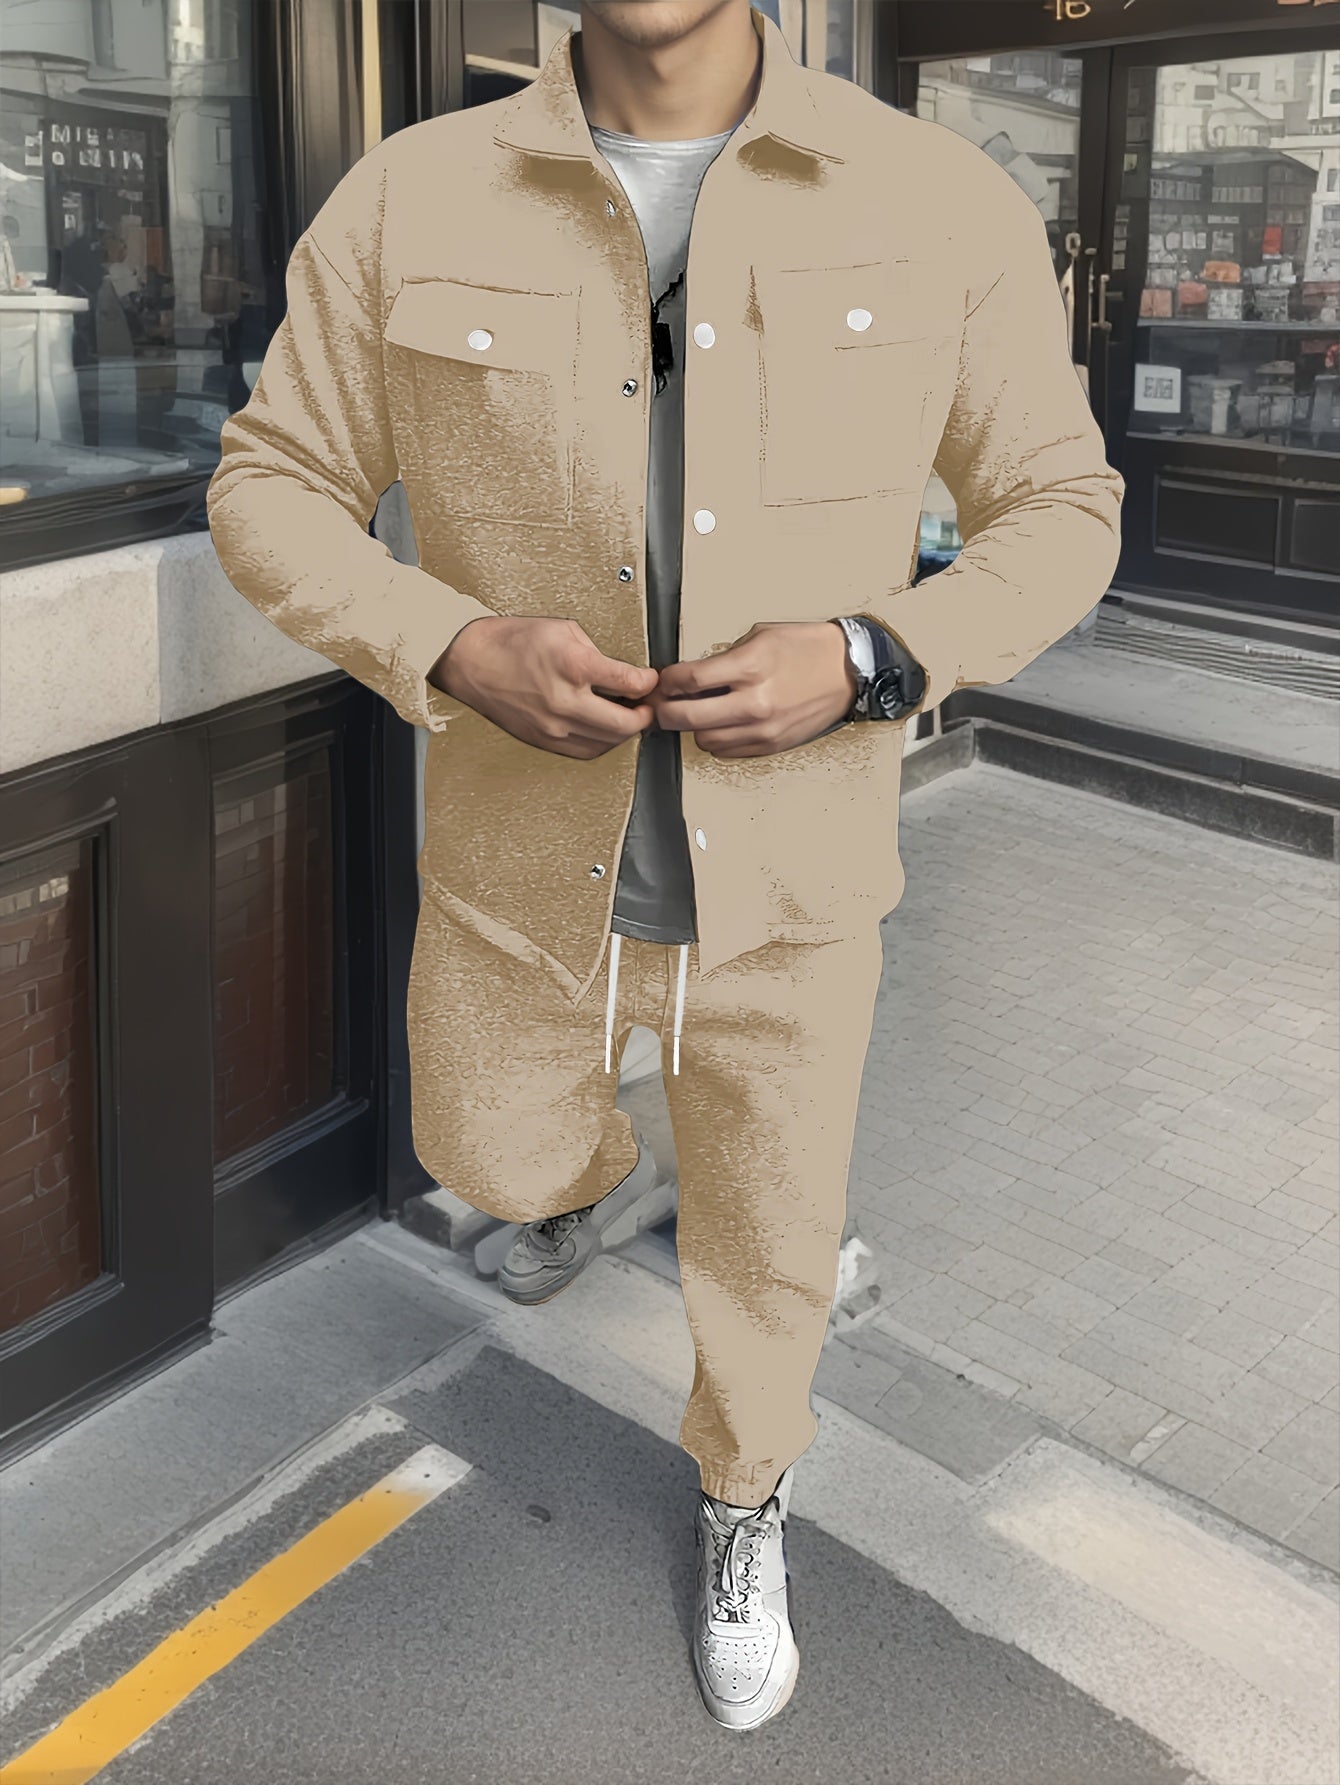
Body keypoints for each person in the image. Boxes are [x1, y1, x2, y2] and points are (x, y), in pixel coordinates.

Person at [206, 0, 1124, 1732]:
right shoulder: (412, 197)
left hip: (795, 896)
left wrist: (871, 655)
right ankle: (606, 1167)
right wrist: (449, 639)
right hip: (520, 880)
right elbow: (269, 485)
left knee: (771, 1261)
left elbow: (1065, 505)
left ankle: (745, 1494)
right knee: (488, 1151)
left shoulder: (932, 197)